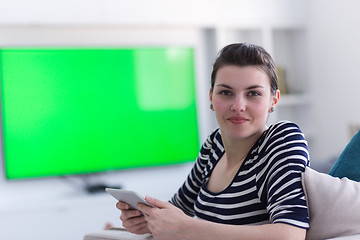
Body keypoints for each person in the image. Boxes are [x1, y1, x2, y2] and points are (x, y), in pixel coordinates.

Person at [116, 43, 310, 240]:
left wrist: (187, 229)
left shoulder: (282, 139)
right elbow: (178, 210)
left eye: (253, 93)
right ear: (211, 96)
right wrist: (146, 220)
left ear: (273, 100)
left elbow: (290, 234)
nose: (238, 106)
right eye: (226, 92)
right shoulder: (214, 144)